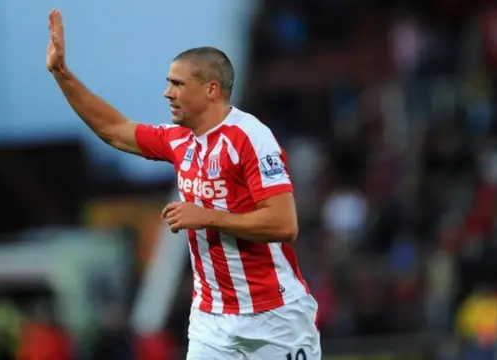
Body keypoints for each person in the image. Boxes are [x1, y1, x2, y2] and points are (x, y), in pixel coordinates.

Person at [46, 8, 321, 360]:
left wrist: (207, 217)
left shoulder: (251, 138)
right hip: (212, 319)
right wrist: (62, 74)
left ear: (210, 89)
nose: (167, 93)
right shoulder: (179, 141)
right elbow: (114, 130)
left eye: (177, 84)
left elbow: (285, 224)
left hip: (275, 316)